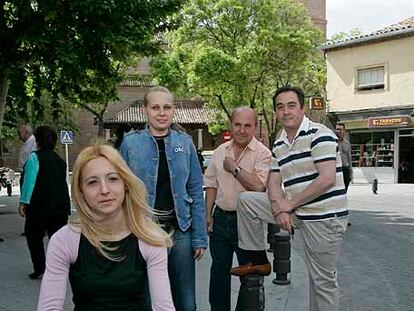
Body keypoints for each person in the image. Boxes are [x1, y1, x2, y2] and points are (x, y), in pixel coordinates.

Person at [231, 86, 348, 311]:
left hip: (324, 218)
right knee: (247, 201)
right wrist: (281, 208)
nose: (286, 111)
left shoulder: (320, 134)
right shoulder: (280, 142)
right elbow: (273, 181)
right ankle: (258, 260)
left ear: (302, 108)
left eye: (291, 105)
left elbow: (326, 179)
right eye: (280, 107)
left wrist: (289, 204)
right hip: (296, 211)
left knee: (321, 282)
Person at [37, 144, 175, 310]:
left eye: (113, 179)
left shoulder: (149, 238)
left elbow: (163, 307)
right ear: (81, 191)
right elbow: (49, 307)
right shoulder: (64, 241)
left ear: (125, 183)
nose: (104, 190)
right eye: (93, 182)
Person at [120, 86, 207, 311]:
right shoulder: (130, 144)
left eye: (167, 107)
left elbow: (196, 191)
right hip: (143, 231)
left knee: (186, 302)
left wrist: (199, 237)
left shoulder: (185, 143)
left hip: (180, 231)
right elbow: (121, 191)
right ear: (145, 110)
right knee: (148, 298)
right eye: (155, 107)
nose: (161, 113)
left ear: (173, 110)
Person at [204, 107, 271, 311]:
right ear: (231, 125)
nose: (242, 130)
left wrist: (234, 168)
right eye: (238, 125)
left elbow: (259, 186)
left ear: (255, 127)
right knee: (218, 276)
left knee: (251, 280)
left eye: (247, 125)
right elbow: (211, 185)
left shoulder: (263, 154)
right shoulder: (219, 151)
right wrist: (208, 214)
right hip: (221, 221)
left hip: (248, 224)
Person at [18, 126, 71, 279]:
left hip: (39, 207)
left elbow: (29, 182)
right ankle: (60, 268)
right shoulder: (60, 161)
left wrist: (23, 202)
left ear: (38, 142)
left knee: (33, 237)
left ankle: (40, 268)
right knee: (58, 239)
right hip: (60, 207)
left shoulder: (35, 158)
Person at [18, 124, 37, 236]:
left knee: (29, 201)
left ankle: (32, 227)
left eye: (20, 132)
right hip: (24, 172)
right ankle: (29, 227)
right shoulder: (27, 143)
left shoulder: (33, 142)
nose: (19, 135)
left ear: (26, 132)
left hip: (28, 173)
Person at [335, 123, 352, 192]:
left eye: (340, 129)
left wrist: (351, 173)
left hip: (345, 170)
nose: (338, 131)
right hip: (335, 170)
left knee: (345, 191)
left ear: (344, 131)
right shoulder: (332, 141)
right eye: (337, 129)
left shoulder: (347, 143)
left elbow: (349, 158)